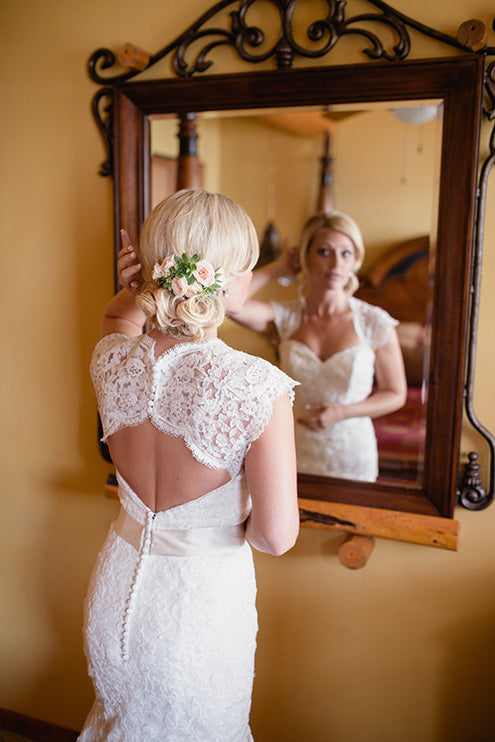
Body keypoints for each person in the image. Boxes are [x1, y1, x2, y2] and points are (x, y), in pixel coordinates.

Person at [78, 189, 299, 741]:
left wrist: (136, 292)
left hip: (116, 594)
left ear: (153, 275)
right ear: (231, 279)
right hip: (198, 607)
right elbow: (276, 537)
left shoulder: (110, 359)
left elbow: (116, 317)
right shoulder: (257, 386)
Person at [231, 211, 407, 482]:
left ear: (355, 261)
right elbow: (230, 304)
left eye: (346, 253)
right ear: (305, 258)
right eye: (324, 251)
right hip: (293, 450)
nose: (336, 263)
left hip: (351, 454)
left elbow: (395, 393)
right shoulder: (285, 318)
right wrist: (278, 269)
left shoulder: (373, 322)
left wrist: (343, 413)